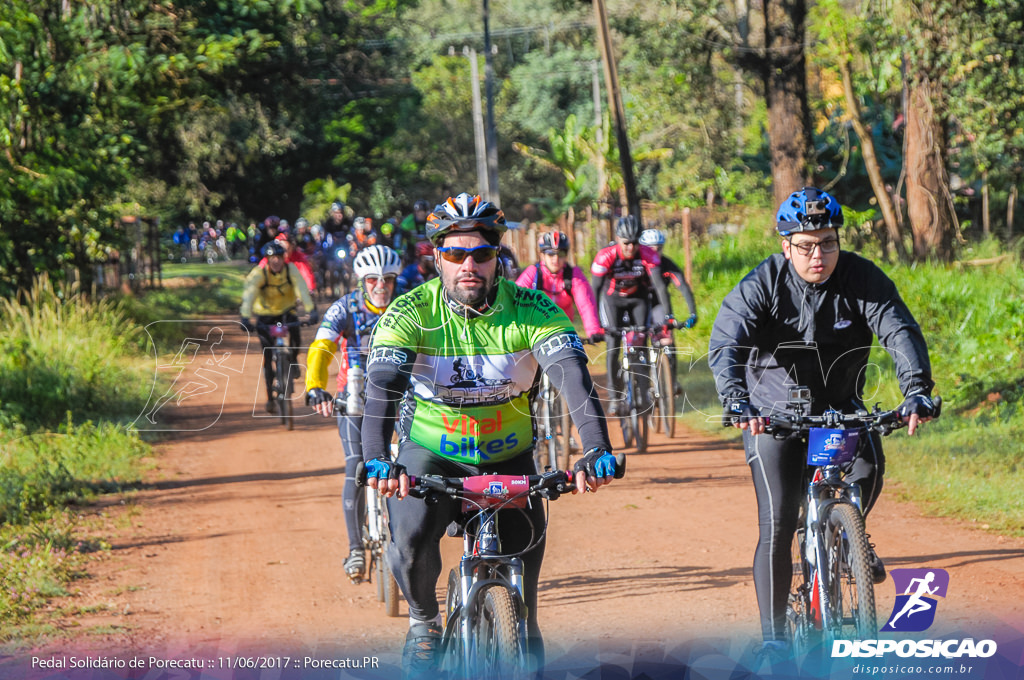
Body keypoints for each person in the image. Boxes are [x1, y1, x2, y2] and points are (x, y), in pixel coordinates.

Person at [359, 192, 623, 678]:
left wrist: (596, 448)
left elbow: (572, 377)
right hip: (431, 454)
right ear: (437, 257)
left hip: (510, 457)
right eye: (455, 254)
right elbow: (382, 388)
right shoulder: (409, 312)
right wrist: (376, 457)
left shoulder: (533, 308)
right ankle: (422, 624)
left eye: (481, 253)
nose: (469, 265)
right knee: (412, 540)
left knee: (526, 620)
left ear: (497, 257)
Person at [707, 186, 938, 658]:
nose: (819, 255)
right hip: (773, 417)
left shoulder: (862, 277)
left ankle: (850, 535)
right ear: (786, 245)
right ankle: (773, 639)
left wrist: (916, 390)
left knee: (868, 471)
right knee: (777, 523)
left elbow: (898, 329)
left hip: (841, 408)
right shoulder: (764, 283)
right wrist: (736, 400)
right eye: (807, 246)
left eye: (828, 242)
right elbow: (726, 340)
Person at [304, 245, 404, 582]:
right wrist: (315, 385)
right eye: (373, 279)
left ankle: (409, 541)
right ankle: (355, 548)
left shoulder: (409, 306)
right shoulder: (344, 308)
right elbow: (321, 346)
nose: (381, 285)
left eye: (388, 279)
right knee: (356, 466)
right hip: (355, 398)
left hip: (403, 396)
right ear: (362, 281)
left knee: (415, 462)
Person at [590, 215, 673, 414]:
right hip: (613, 300)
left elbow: (661, 288)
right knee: (613, 345)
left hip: (638, 299)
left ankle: (644, 390)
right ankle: (614, 397)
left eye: (635, 243)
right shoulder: (605, 256)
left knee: (640, 341)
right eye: (626, 243)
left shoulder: (646, 254)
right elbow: (594, 291)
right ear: (618, 239)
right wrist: (596, 325)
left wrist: (668, 317)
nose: (630, 247)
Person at [240, 241, 318, 413]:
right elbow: (249, 295)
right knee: (268, 357)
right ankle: (270, 398)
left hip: (286, 313)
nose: (276, 261)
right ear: (267, 259)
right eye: (272, 258)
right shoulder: (259, 274)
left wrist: (311, 310)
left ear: (284, 258)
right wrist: (245, 317)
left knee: (296, 338)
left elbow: (302, 290)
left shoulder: (291, 271)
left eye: (279, 257)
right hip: (266, 317)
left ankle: (293, 360)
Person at [638, 228, 699, 394]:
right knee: (637, 338)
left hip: (659, 304)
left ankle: (671, 379)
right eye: (651, 248)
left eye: (659, 248)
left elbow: (683, 287)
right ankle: (639, 378)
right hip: (639, 303)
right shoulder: (636, 264)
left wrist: (693, 312)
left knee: (667, 338)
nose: (655, 252)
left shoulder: (666, 264)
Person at [515, 231, 603, 342]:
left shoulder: (573, 274)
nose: (556, 259)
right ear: (542, 255)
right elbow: (514, 297)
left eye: (560, 254)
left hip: (563, 332)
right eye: (551, 254)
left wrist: (593, 330)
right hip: (535, 331)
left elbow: (586, 304)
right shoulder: (533, 273)